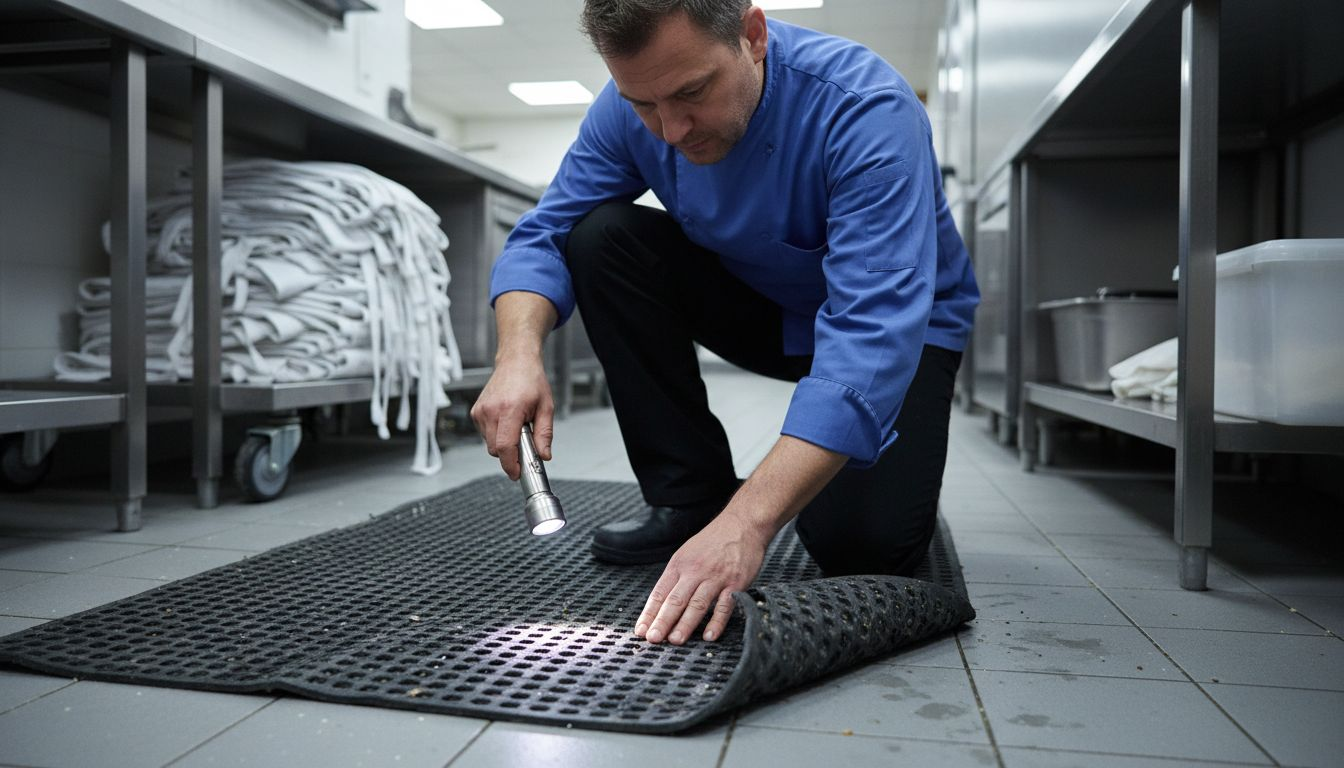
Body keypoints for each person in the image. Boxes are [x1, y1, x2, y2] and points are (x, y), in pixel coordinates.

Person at [470, 0, 979, 648]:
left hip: (900, 328)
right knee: (601, 238)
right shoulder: (633, 110)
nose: (671, 130)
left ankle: (844, 487)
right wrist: (517, 354)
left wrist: (752, 524)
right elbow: (544, 233)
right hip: (763, 300)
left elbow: (869, 339)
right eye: (644, 105)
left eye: (692, 93)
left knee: (862, 545)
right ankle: (691, 498)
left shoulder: (865, 109)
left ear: (754, 36)